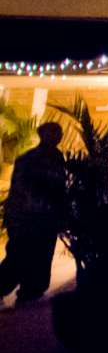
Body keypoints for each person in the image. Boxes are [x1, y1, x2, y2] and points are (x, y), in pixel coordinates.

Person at [1, 121, 69, 307]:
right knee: (18, 255)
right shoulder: (29, 159)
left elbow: (60, 189)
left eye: (59, 132)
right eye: (53, 132)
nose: (57, 136)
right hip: (28, 218)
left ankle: (31, 292)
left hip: (46, 219)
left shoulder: (57, 158)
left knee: (41, 256)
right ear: (43, 134)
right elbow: (21, 190)